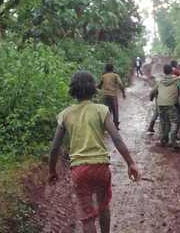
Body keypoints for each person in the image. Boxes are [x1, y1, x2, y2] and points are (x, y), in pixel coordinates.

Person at [49, 71, 140, 233]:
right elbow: (117, 139)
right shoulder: (101, 110)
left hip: (79, 169)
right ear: (93, 89)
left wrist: (51, 171)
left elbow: (55, 147)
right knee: (103, 206)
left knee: (87, 216)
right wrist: (130, 163)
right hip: (100, 167)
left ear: (73, 90)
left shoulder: (65, 114)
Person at [150, 64, 180, 150]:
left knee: (164, 122)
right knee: (174, 121)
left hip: (161, 104)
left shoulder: (160, 81)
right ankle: (172, 140)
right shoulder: (177, 80)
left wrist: (151, 98)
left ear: (164, 72)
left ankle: (163, 140)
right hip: (172, 103)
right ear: (172, 71)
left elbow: (152, 92)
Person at [98, 64, 125, 130]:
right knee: (115, 110)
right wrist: (123, 93)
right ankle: (115, 125)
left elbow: (99, 85)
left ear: (106, 69)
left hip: (105, 95)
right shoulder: (115, 75)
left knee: (106, 111)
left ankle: (105, 126)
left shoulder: (103, 76)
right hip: (113, 95)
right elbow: (120, 84)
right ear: (113, 69)